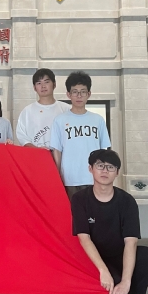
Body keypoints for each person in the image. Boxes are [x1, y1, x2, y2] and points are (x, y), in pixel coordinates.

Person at [71, 150, 148, 294]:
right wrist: (103, 271)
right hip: (95, 258)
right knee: (107, 292)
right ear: (90, 168)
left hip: (119, 253)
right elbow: (84, 238)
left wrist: (126, 282)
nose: (105, 170)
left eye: (110, 167)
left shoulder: (127, 201)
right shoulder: (79, 199)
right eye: (100, 165)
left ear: (117, 172)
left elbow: (131, 242)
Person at [50, 71, 111, 199]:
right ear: (68, 94)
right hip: (69, 179)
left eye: (83, 92)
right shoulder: (59, 120)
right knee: (73, 211)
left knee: (94, 211)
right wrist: (57, 176)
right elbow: (57, 151)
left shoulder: (98, 120)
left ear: (89, 94)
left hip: (93, 178)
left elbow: (104, 151)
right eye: (75, 92)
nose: (79, 96)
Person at [15, 68, 70, 149]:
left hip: (62, 155)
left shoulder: (66, 109)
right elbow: (22, 138)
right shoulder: (27, 111)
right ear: (34, 88)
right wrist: (38, 151)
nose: (43, 86)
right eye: (39, 83)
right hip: (36, 155)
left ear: (54, 84)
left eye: (46, 82)